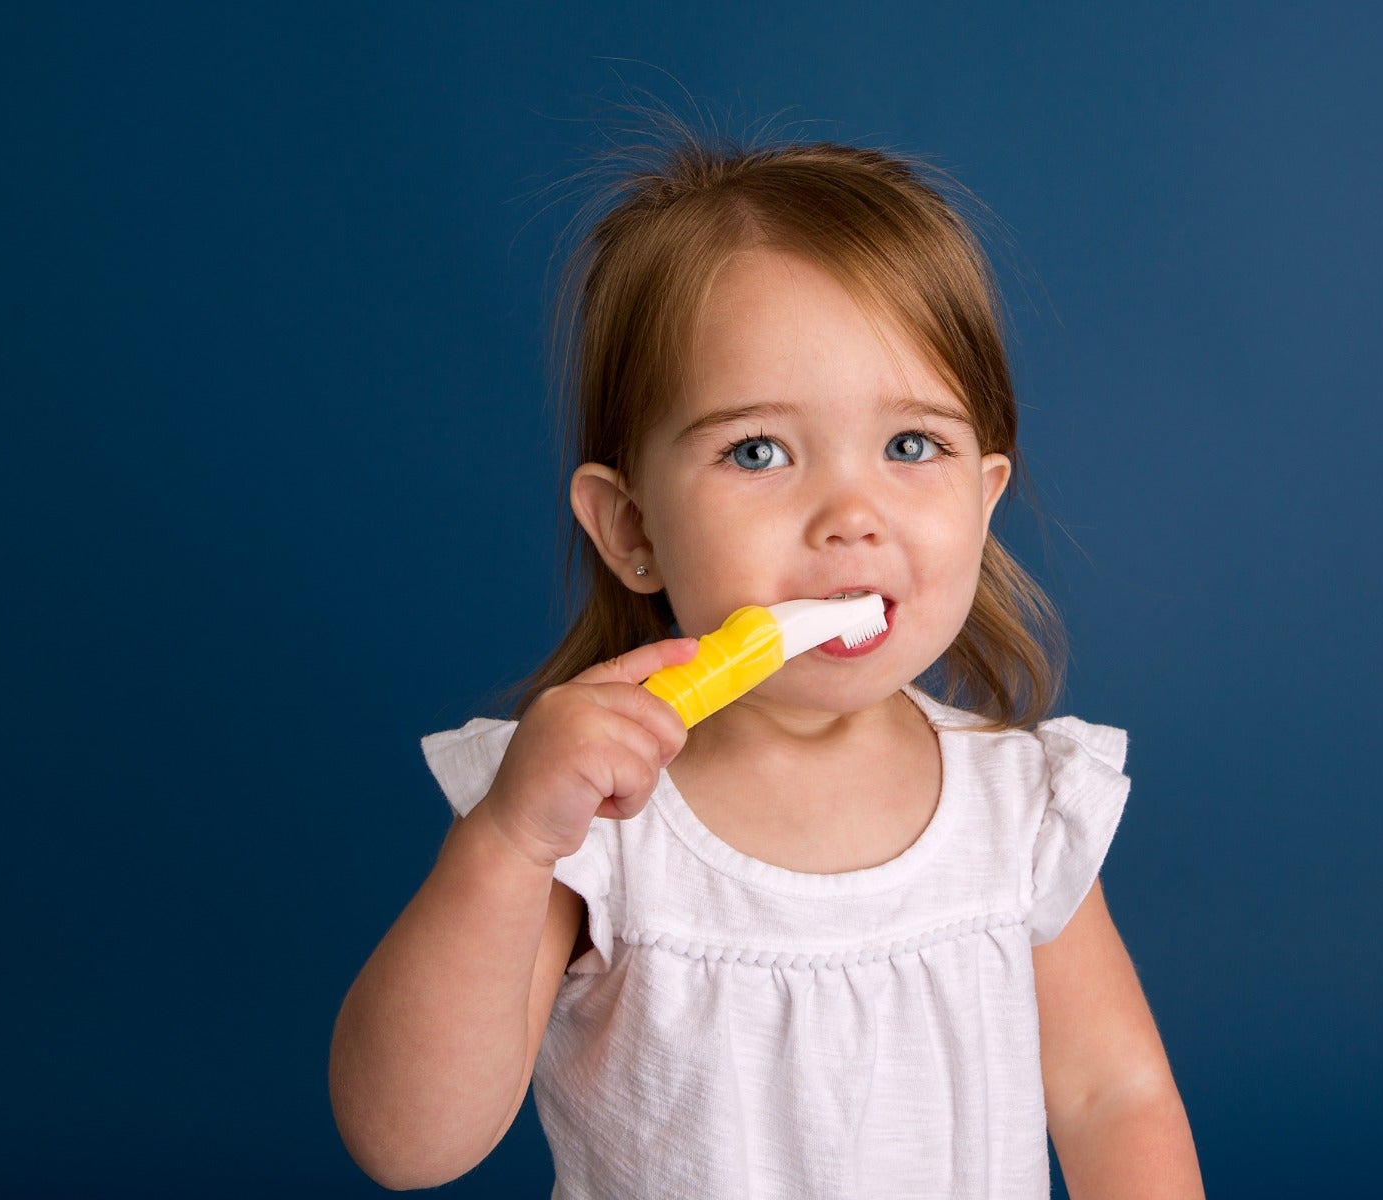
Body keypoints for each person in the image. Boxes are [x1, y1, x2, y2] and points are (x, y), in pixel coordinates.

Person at [329, 127, 1204, 1198]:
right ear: (629, 527)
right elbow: (409, 1144)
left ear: (983, 500)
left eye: (911, 446)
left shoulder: (1019, 807)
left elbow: (1114, 1096)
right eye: (758, 452)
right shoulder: (584, 823)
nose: (850, 515)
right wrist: (507, 841)